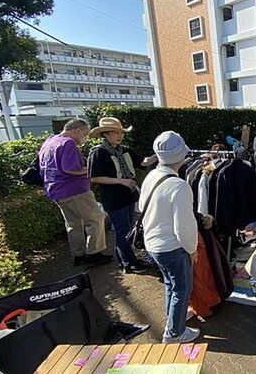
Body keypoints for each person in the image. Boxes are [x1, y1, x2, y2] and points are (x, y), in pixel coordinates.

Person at [140, 131, 200, 343]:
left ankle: (175, 317)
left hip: (153, 242)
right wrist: (192, 250)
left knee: (170, 283)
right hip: (172, 246)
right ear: (182, 156)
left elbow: (141, 207)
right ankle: (174, 333)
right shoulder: (179, 186)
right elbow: (184, 227)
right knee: (182, 288)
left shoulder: (152, 176)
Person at [38, 118, 112, 267]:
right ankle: (94, 254)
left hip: (56, 190)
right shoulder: (68, 143)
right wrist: (90, 171)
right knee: (96, 218)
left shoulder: (50, 141)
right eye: (83, 134)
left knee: (73, 224)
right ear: (77, 131)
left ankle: (79, 255)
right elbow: (70, 169)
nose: (83, 139)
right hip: (74, 190)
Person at [88, 117, 151, 274]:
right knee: (122, 231)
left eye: (120, 132)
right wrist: (120, 181)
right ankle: (129, 263)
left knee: (127, 229)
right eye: (115, 132)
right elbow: (94, 177)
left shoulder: (125, 149)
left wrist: (161, 155)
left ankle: (124, 261)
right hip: (114, 199)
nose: (119, 135)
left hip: (129, 196)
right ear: (105, 134)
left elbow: (143, 162)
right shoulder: (98, 152)